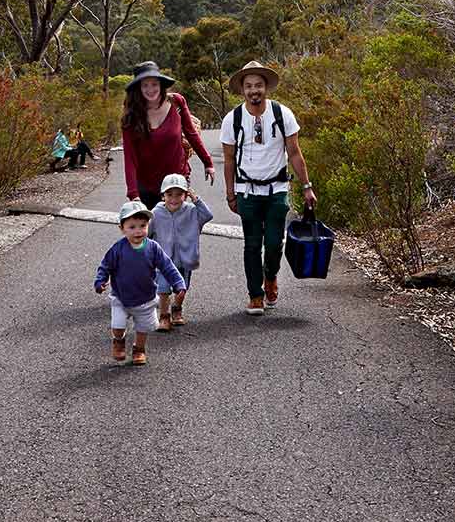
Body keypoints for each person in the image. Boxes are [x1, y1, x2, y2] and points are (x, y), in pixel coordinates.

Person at [218, 60, 315, 316]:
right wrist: (230, 193)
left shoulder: (283, 114)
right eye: (249, 86)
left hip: (277, 190)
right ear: (242, 90)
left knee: (273, 243)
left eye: (258, 85)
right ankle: (255, 295)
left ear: (266, 88)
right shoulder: (233, 119)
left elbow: (294, 152)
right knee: (251, 244)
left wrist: (306, 186)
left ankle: (270, 276)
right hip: (247, 191)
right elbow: (228, 159)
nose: (254, 91)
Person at [93, 200, 186, 366]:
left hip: (146, 298)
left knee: (143, 329)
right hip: (121, 297)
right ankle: (118, 341)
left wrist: (178, 283)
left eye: (143, 226)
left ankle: (139, 349)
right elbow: (105, 266)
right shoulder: (117, 249)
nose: (138, 231)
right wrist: (100, 281)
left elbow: (167, 266)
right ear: (122, 229)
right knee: (118, 324)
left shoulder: (153, 248)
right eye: (132, 227)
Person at [120, 62, 215, 210]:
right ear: (138, 87)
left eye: (154, 84)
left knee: (177, 228)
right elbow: (130, 156)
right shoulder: (131, 116)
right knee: (150, 230)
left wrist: (207, 162)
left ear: (161, 84)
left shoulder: (176, 102)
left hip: (176, 181)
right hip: (147, 184)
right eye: (145, 85)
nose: (150, 89)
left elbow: (191, 133)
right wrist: (133, 194)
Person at [149, 172, 214, 331]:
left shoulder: (192, 211)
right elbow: (147, 232)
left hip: (185, 259)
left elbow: (208, 215)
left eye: (179, 195)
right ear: (163, 195)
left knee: (181, 289)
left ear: (186, 195)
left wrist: (196, 199)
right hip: (163, 261)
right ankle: (164, 316)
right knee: (163, 290)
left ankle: (177, 309)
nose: (174, 199)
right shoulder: (156, 213)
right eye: (169, 194)